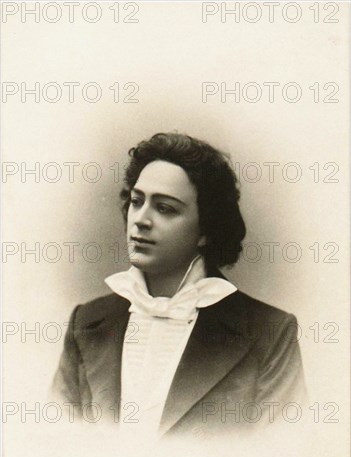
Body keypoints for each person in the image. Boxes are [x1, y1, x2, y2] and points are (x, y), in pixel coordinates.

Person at [52, 132, 307, 440]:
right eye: (137, 201)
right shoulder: (87, 323)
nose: (141, 220)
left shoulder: (269, 334)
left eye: (165, 208)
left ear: (205, 230)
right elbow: (55, 451)